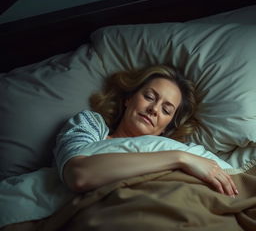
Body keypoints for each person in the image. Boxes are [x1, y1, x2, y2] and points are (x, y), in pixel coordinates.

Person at [54, 65, 238, 197]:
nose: (154, 109)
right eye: (149, 97)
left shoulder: (178, 147)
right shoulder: (90, 123)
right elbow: (78, 175)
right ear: (128, 98)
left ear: (167, 126)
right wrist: (180, 159)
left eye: (166, 110)